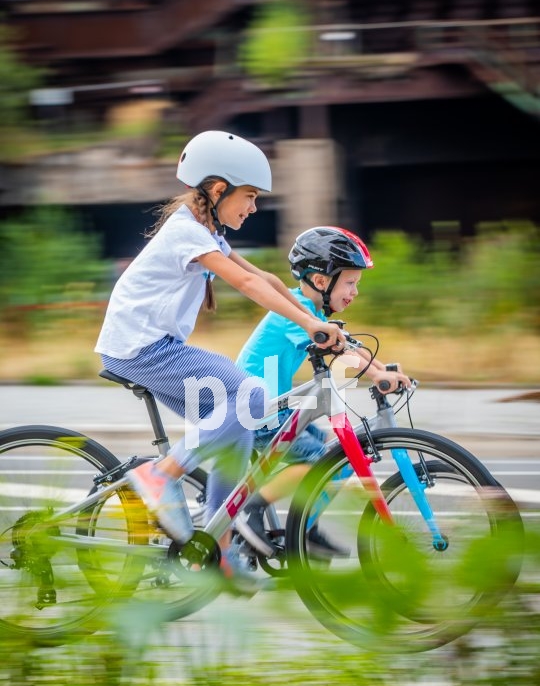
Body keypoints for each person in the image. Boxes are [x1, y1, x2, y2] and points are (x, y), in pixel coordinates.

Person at [95, 131, 345, 594]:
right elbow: (247, 288)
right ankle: (160, 474)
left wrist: (317, 320)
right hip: (141, 348)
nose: (253, 207)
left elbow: (263, 277)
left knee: (239, 423)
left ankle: (219, 548)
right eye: (249, 196)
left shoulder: (204, 231)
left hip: (152, 347)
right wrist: (312, 326)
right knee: (250, 393)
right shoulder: (187, 233)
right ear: (217, 189)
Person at [235, 225, 411, 561]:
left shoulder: (310, 311)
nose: (355, 291)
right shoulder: (295, 312)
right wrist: (375, 375)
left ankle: (304, 526)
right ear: (320, 281)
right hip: (258, 409)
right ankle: (250, 510)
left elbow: (350, 344)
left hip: (275, 410)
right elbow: (339, 350)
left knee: (337, 460)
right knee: (320, 462)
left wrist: (382, 371)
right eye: (350, 282)